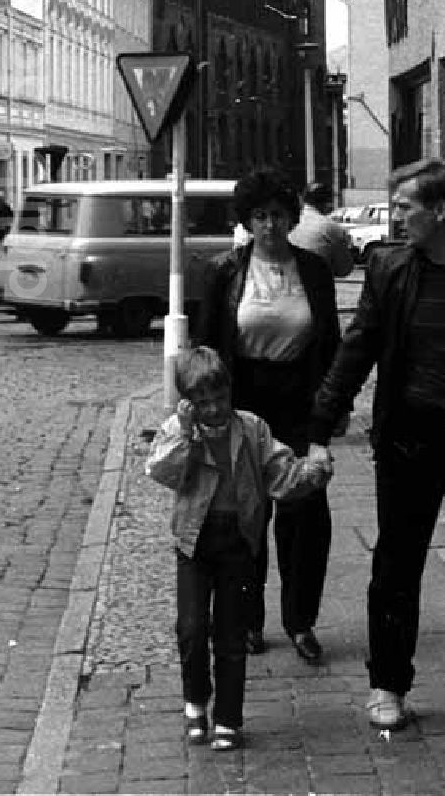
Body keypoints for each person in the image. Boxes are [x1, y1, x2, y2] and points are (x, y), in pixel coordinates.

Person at [307, 158, 445, 788]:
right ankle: (389, 682)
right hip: (408, 443)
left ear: (441, 210)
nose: (396, 215)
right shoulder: (389, 269)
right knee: (396, 566)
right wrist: (319, 426)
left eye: (405, 205)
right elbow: (358, 350)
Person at [146, 345, 332, 753]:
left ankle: (228, 716)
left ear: (231, 394)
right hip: (194, 543)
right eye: (203, 402)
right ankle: (196, 701)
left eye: (220, 400)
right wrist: (187, 435)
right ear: (188, 403)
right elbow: (162, 471)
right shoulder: (180, 432)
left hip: (238, 542)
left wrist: (310, 475)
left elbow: (278, 473)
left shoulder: (251, 430)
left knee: (231, 635)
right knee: (192, 629)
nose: (213, 409)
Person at [192, 167, 341, 664]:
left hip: (300, 402)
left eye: (278, 216)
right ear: (247, 221)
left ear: (293, 218)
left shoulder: (314, 272)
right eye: (260, 217)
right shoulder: (225, 271)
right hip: (245, 403)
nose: (270, 226)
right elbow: (207, 346)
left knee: (307, 518)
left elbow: (332, 344)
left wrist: (332, 408)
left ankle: (301, 622)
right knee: (245, 518)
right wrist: (204, 408)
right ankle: (248, 621)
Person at [289, 181, 355, 280]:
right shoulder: (330, 227)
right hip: (317, 289)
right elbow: (344, 269)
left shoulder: (288, 222)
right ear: (326, 203)